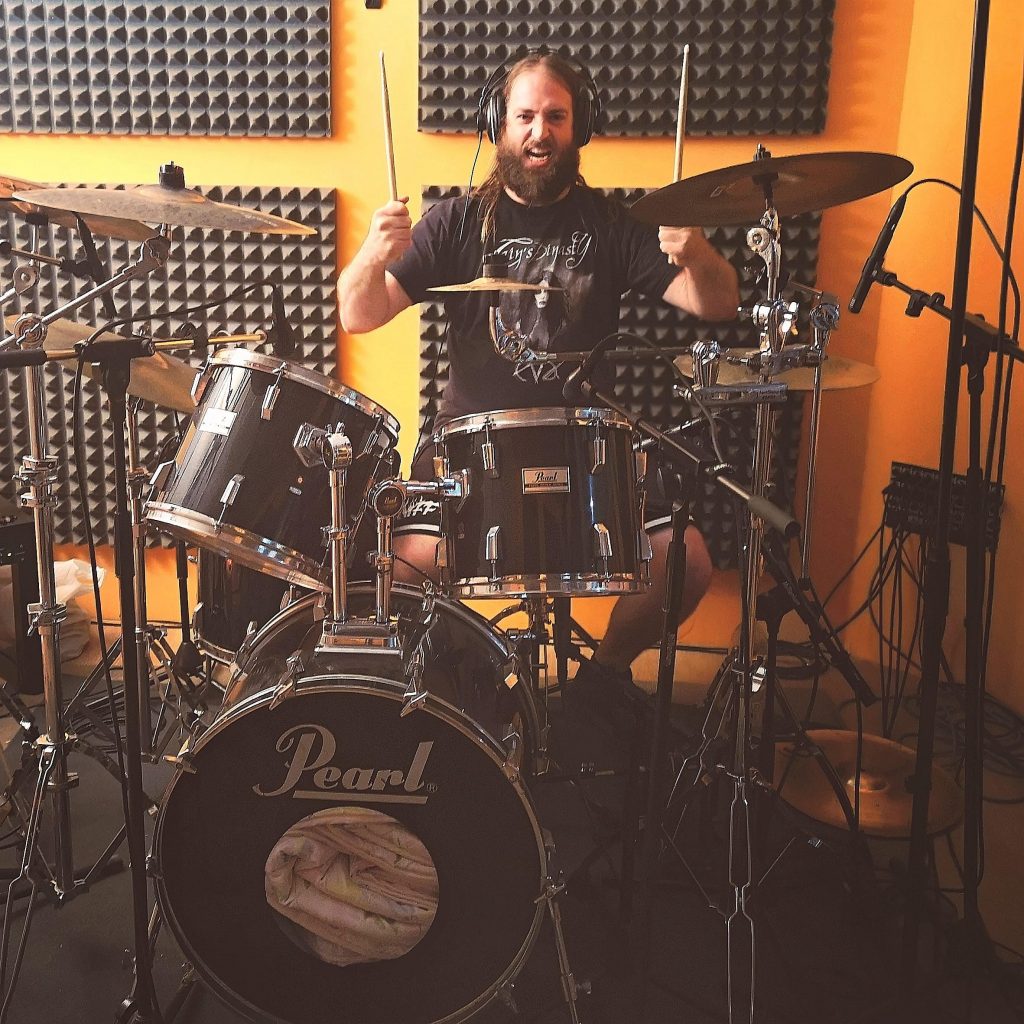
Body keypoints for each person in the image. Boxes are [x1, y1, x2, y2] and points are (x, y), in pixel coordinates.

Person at [338, 50, 739, 705]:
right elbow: (360, 315)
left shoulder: (613, 225)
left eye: (555, 116)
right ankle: (456, 694)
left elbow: (715, 303)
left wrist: (695, 253)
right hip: (470, 449)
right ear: (498, 125)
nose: (539, 131)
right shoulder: (455, 223)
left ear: (580, 128)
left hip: (588, 452)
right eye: (525, 116)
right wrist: (370, 255)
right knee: (406, 570)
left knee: (686, 562)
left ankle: (602, 679)